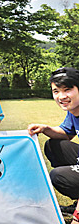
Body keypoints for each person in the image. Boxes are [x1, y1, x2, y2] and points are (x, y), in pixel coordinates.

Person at [28, 67, 79, 221]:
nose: (61, 96)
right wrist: (45, 129)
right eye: (56, 91)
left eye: (67, 89)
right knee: (53, 145)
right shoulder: (73, 111)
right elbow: (66, 133)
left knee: (59, 176)